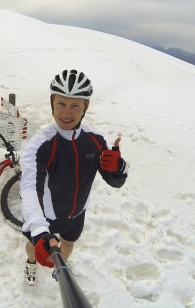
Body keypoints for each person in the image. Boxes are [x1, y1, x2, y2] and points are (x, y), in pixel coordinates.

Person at [20, 69, 128, 286]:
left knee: (68, 244)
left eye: (75, 106)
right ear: (52, 102)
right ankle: (30, 262)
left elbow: (115, 180)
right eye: (61, 104)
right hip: (46, 216)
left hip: (77, 213)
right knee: (34, 245)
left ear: (85, 107)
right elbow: (30, 188)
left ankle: (59, 268)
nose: (67, 113)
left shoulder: (96, 140)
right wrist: (39, 229)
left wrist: (119, 169)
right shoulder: (40, 145)